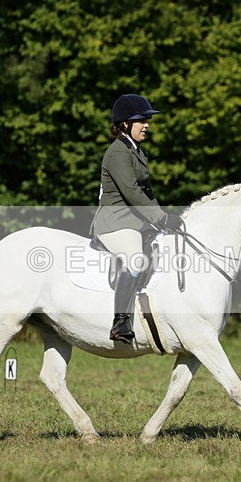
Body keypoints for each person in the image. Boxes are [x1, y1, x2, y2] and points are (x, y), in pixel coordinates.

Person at [91, 94, 183, 343]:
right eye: (141, 120)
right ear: (124, 124)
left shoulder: (136, 150)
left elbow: (146, 194)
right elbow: (132, 193)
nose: (147, 124)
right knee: (136, 261)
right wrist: (161, 218)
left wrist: (162, 219)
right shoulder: (118, 152)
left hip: (135, 221)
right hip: (115, 223)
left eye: (146, 120)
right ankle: (119, 323)